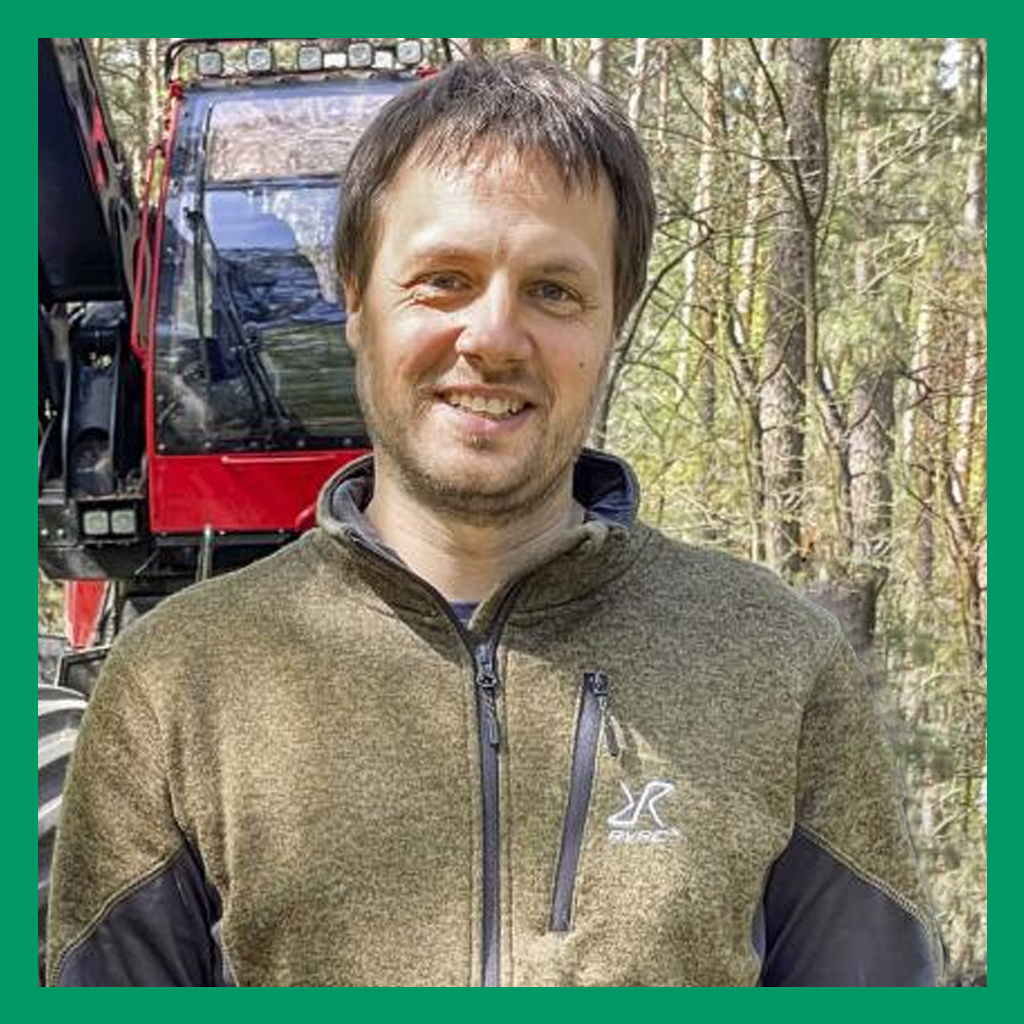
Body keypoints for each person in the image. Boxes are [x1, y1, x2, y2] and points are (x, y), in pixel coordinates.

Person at [47, 55, 943, 987]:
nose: (494, 338)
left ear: (612, 323)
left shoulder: (776, 666)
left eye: (555, 291)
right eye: (443, 278)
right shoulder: (176, 684)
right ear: (354, 299)